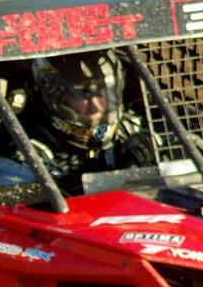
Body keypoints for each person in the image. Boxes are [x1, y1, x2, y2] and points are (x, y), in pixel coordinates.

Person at [22, 50, 156, 191]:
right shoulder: (32, 150)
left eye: (102, 91)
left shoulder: (131, 126)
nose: (96, 105)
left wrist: (146, 154)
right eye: (83, 94)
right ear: (56, 97)